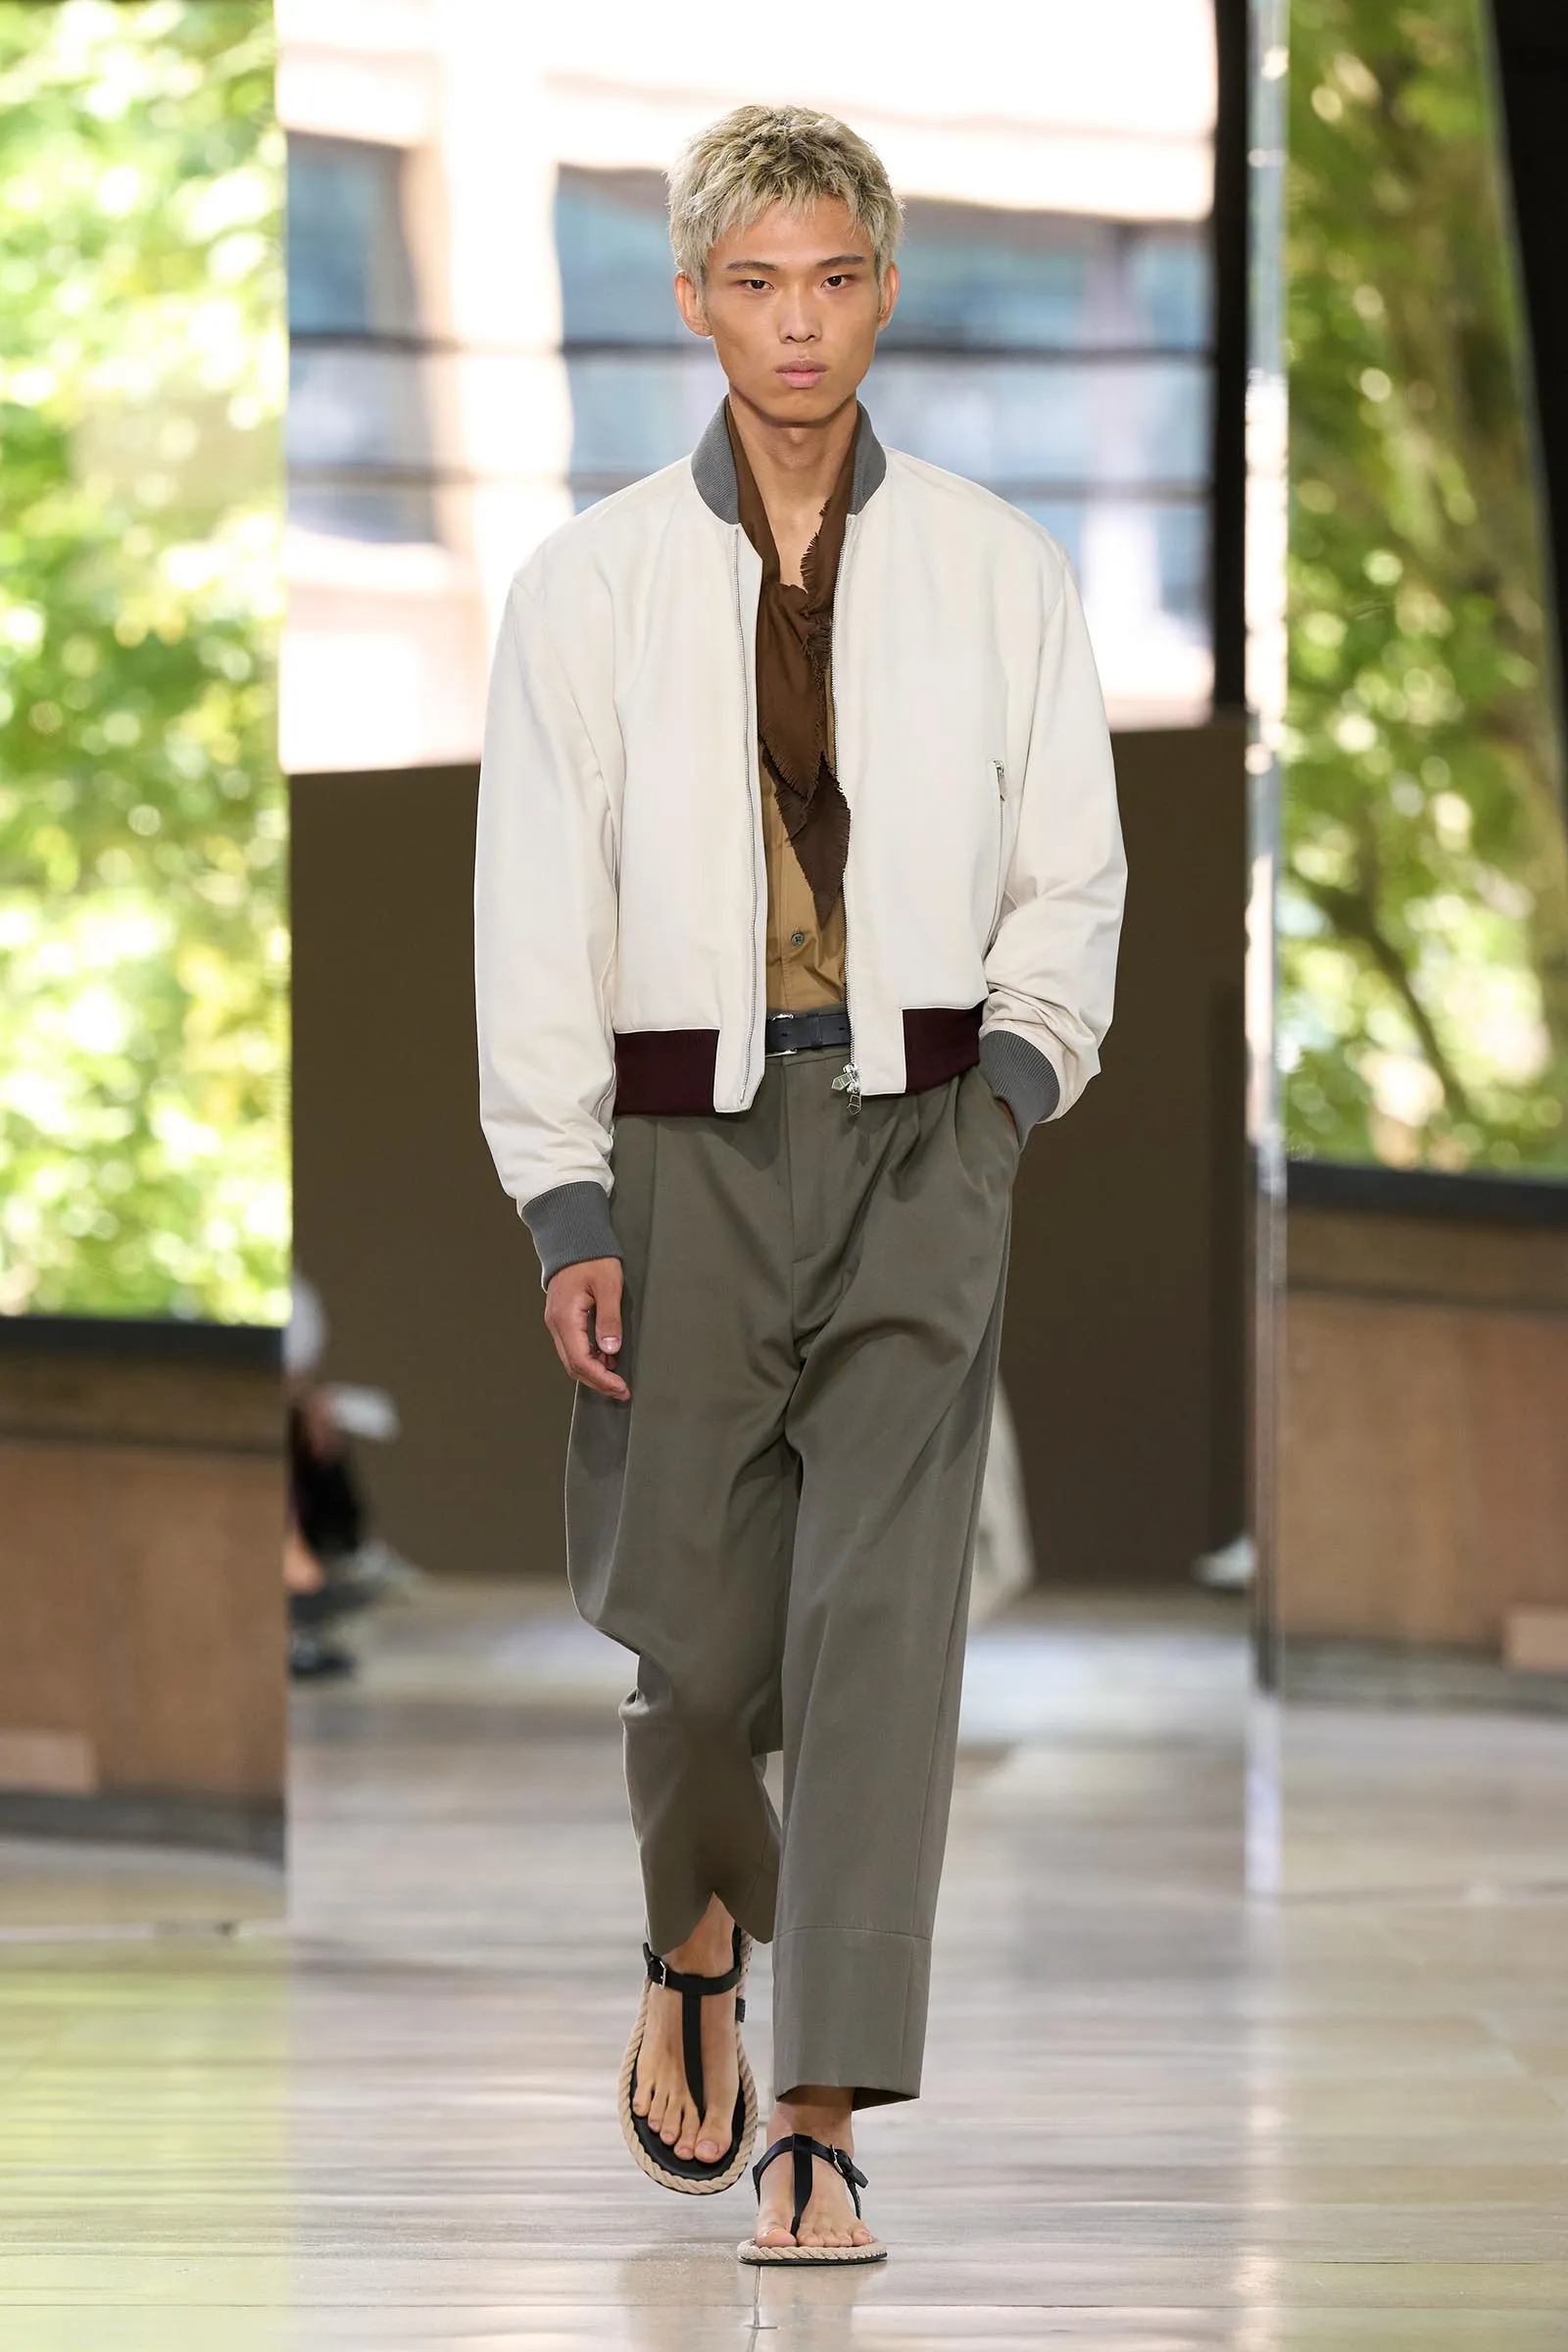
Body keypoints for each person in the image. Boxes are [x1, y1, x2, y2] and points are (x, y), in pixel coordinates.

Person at [474, 104, 1125, 2264]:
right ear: (692, 299)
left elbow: (1072, 870)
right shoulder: (584, 587)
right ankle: (696, 1935)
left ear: (884, 293)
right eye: (756, 283)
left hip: (925, 1133)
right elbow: (532, 914)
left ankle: (822, 2116)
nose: (797, 323)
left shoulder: (997, 567)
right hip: (676, 1151)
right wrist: (562, 1202)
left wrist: (1006, 1094)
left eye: (834, 279)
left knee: (878, 1631)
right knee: (688, 1642)